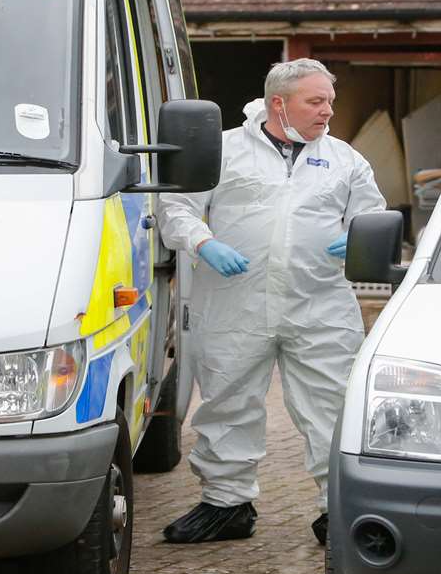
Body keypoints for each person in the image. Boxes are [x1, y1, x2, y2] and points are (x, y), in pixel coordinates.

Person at [159, 59, 386, 545]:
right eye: (316, 101)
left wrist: (359, 236)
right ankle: (226, 503)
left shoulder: (345, 159)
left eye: (330, 99)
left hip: (319, 301)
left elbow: (373, 215)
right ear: (278, 103)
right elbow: (176, 207)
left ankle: (338, 510)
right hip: (234, 301)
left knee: (332, 406)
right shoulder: (223, 150)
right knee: (226, 398)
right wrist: (203, 243)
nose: (328, 110)